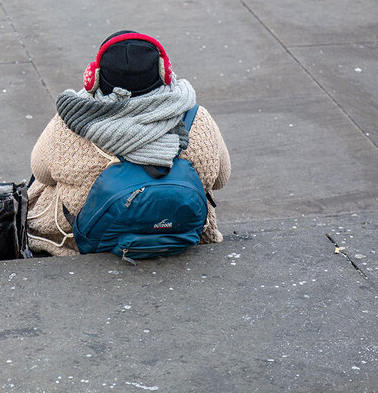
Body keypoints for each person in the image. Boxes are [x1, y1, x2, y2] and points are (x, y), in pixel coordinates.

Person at [27, 30, 231, 256]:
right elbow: (221, 179)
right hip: (182, 233)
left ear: (93, 78)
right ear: (164, 72)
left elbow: (40, 173)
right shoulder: (197, 119)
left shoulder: (70, 123)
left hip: (90, 241)